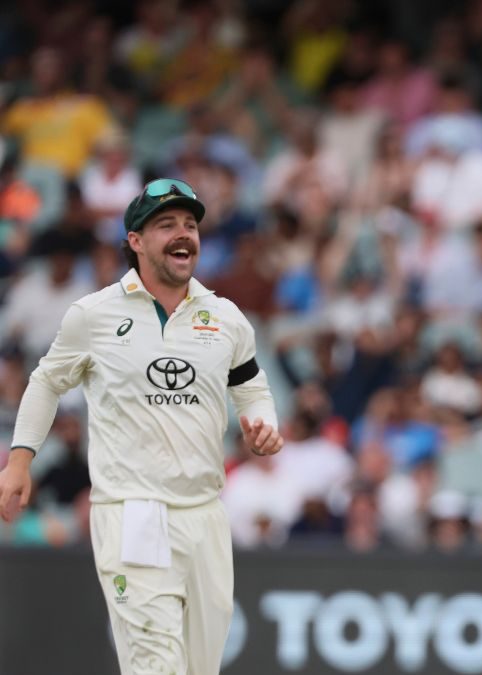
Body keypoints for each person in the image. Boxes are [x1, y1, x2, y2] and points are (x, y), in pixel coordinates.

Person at [0, 178, 283, 675]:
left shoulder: (226, 318)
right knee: (156, 666)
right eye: (166, 225)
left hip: (206, 514)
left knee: (199, 669)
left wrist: (263, 425)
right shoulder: (94, 315)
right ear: (135, 241)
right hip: (133, 512)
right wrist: (19, 462)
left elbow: (251, 386)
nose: (183, 234)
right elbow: (45, 383)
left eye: (190, 224)